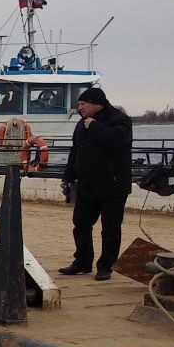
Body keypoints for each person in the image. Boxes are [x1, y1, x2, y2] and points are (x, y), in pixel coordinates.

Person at [59, 87, 133, 281]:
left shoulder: (120, 119)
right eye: (79, 104)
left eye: (83, 104)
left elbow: (117, 139)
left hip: (113, 186)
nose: (80, 108)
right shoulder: (81, 124)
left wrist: (94, 126)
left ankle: (106, 266)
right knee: (81, 223)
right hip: (87, 184)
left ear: (96, 104)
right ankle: (82, 262)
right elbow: (76, 151)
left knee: (110, 228)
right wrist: (68, 176)